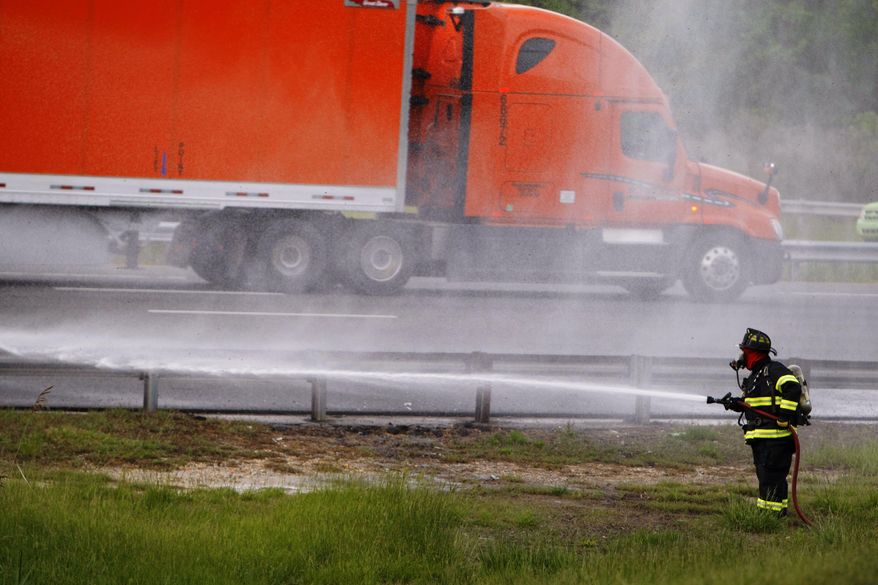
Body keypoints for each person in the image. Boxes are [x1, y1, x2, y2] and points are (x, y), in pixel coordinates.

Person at [725, 328, 802, 516]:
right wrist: (735, 404)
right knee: (768, 477)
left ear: (751, 352)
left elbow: (793, 388)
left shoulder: (773, 370)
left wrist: (785, 416)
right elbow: (755, 406)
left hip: (776, 439)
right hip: (762, 439)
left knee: (771, 478)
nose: (740, 355)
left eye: (743, 350)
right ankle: (775, 514)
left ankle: (769, 517)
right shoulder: (755, 376)